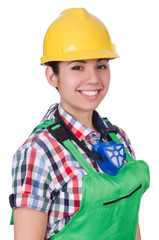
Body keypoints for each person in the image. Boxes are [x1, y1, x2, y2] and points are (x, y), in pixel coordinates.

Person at [9, 8, 150, 240]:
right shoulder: (38, 152)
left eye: (101, 65)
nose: (94, 78)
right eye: (77, 67)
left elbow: (130, 223)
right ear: (52, 76)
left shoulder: (119, 138)